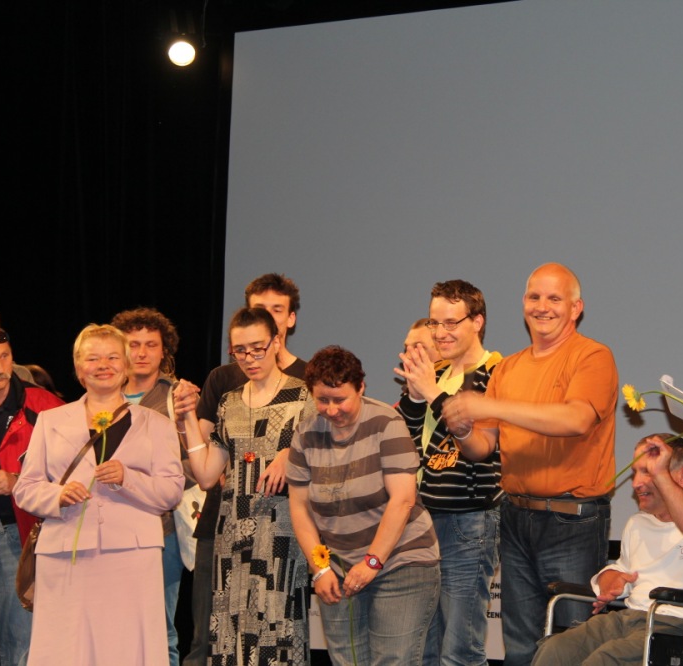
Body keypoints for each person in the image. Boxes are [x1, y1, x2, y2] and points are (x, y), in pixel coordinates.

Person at [442, 262, 618, 666]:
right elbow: (482, 447)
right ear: (523, 302)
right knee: (520, 646)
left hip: (572, 521)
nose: (542, 306)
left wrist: (490, 406)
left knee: (571, 645)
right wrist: (463, 428)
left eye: (554, 298)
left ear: (576, 308)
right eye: (535, 297)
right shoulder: (509, 367)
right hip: (516, 517)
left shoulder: (593, 355)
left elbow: (576, 419)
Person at [14, 324, 184, 664]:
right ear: (79, 369)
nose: (103, 365)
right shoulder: (50, 420)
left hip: (132, 556)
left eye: (112, 357)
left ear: (126, 365)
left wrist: (128, 478)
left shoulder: (157, 424)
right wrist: (57, 495)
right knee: (65, 648)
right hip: (65, 555)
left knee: (127, 647)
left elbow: (171, 492)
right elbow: (26, 489)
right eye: (92, 358)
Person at [285, 345, 441, 666]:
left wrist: (372, 562)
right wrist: (320, 568)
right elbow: (300, 509)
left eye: (340, 399)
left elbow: (403, 500)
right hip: (340, 567)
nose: (331, 410)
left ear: (360, 388)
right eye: (322, 400)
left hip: (401, 562)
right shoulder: (305, 434)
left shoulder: (386, 423)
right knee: (347, 660)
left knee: (392, 661)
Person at [532, 435, 683, 666]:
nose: (635, 483)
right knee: (555, 650)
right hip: (630, 618)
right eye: (636, 472)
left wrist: (662, 478)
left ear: (682, 477)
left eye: (649, 472)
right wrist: (610, 578)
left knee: (605, 660)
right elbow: (624, 570)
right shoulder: (638, 523)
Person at [177, 307, 314, 666]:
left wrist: (292, 453)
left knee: (278, 630)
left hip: (282, 533)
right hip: (233, 535)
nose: (250, 358)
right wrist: (187, 417)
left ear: (276, 342)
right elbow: (207, 475)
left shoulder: (305, 397)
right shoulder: (229, 402)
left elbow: (325, 457)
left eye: (257, 348)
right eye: (240, 350)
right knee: (230, 632)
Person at [394, 280, 502, 666]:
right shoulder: (434, 374)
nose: (440, 333)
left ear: (477, 322)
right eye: (434, 322)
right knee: (425, 648)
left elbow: (478, 448)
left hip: (467, 519)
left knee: (459, 649)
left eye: (451, 323)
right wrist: (413, 396)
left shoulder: (495, 371)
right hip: (422, 520)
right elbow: (408, 444)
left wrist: (432, 394)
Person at [111, 306, 198, 666]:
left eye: (151, 345)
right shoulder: (104, 394)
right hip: (109, 527)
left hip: (160, 528)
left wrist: (142, 478)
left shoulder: (178, 397)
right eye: (134, 344)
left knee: (157, 628)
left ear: (165, 351)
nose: (142, 353)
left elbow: (196, 464)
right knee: (113, 627)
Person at [0, 325, 63, 665]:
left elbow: (74, 477)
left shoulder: (43, 405)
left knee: (20, 649)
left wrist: (17, 481)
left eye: (4, 357)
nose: (0, 368)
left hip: (15, 538)